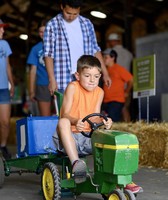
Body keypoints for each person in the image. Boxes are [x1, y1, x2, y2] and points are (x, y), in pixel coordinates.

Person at [54, 55, 142, 194]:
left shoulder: (100, 92)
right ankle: (76, 164)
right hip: (68, 138)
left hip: (88, 137)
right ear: (78, 75)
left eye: (96, 77)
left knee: (111, 140)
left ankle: (124, 181)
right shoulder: (73, 87)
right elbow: (64, 114)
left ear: (100, 76)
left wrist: (104, 121)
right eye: (87, 76)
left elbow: (95, 117)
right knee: (63, 121)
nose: (92, 80)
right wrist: (76, 121)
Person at [43, 0, 111, 95]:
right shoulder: (52, 25)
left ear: (79, 9)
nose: (71, 17)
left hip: (87, 77)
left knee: (88, 109)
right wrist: (51, 79)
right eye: (68, 13)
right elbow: (48, 54)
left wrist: (106, 74)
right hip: (63, 79)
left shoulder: (87, 24)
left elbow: (95, 50)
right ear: (62, 6)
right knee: (66, 110)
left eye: (75, 14)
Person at [27, 20, 52, 116]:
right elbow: (33, 71)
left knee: (63, 115)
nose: (43, 34)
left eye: (45, 31)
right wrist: (32, 91)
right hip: (42, 85)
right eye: (40, 32)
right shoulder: (35, 49)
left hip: (58, 84)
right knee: (45, 116)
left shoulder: (58, 46)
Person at [107, 33, 133, 122]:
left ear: (111, 42)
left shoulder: (109, 53)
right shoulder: (129, 54)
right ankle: (127, 126)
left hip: (116, 87)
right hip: (125, 86)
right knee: (124, 108)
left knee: (117, 110)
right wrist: (127, 91)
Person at [0, 19, 15, 159]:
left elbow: (7, 65)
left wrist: (12, 83)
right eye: (0, 28)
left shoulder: (4, 44)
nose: (3, 31)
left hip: (3, 88)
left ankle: (3, 146)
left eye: (3, 28)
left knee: (5, 122)